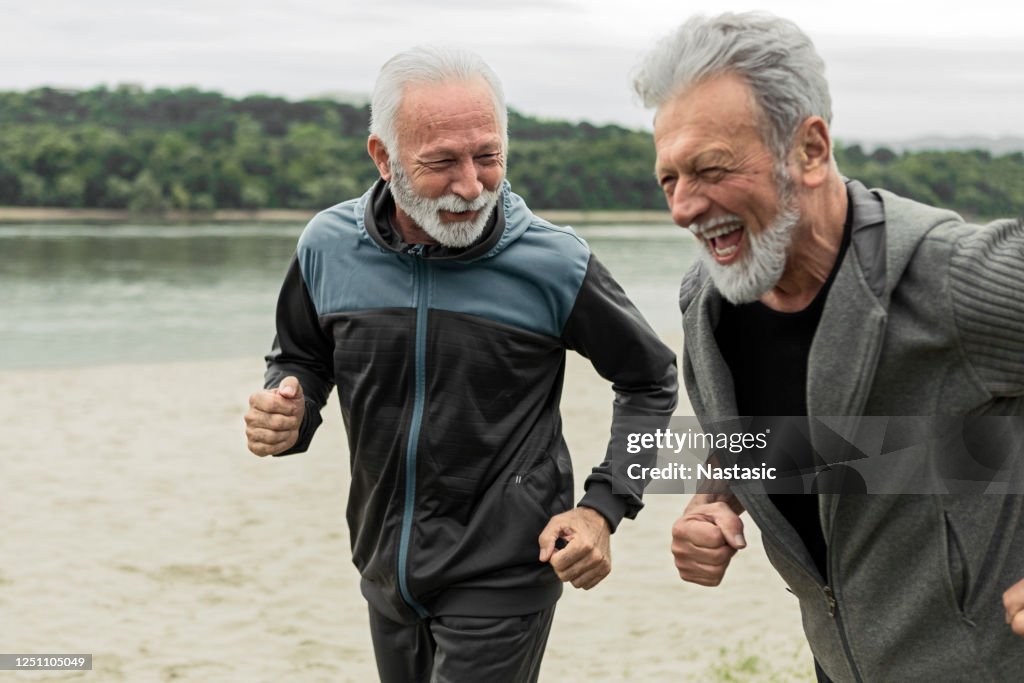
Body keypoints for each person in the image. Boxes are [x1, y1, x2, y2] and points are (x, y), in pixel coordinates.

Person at [244, 45, 677, 682]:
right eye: (442, 162)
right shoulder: (326, 247)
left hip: (505, 569)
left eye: (489, 156)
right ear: (382, 157)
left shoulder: (555, 264)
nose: (471, 186)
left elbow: (650, 378)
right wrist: (289, 411)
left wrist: (603, 506)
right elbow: (301, 358)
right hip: (382, 567)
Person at [631, 12, 1024, 683]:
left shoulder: (956, 277)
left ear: (809, 150)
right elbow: (761, 436)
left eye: (711, 168)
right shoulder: (708, 301)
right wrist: (713, 499)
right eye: (670, 178)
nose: (684, 207)